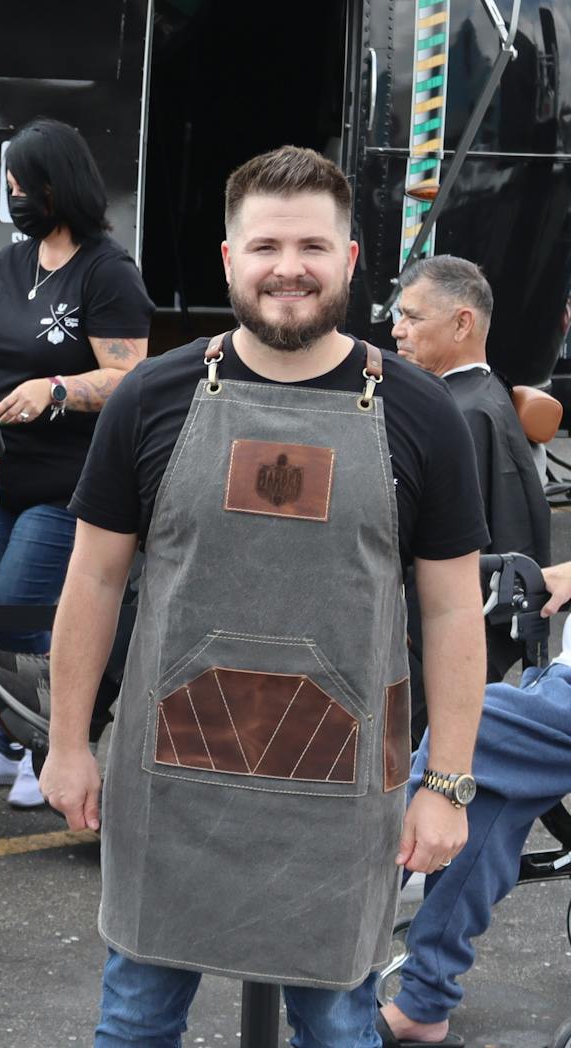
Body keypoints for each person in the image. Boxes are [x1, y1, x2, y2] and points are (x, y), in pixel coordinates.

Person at [41, 146, 489, 1047]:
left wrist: (447, 784)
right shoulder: (154, 396)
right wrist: (65, 743)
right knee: (134, 1024)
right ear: (229, 259)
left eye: (314, 247)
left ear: (352, 260)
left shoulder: (420, 411)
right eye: (267, 246)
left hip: (340, 796)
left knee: (335, 1025)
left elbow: (450, 609)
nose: (290, 267)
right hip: (169, 781)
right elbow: (93, 578)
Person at [0, 118, 152, 809]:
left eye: (21, 184)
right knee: (6, 607)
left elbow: (130, 378)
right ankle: (10, 747)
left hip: (68, 483)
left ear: (56, 185)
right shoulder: (13, 261)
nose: (12, 197)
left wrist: (56, 389)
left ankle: (57, 747)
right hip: (0, 471)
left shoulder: (108, 271)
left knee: (22, 616)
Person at [378, 560, 571, 1048]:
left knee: (463, 733)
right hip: (561, 683)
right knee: (483, 799)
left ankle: (332, 933)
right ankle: (424, 1005)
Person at [391, 254, 550, 683]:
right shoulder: (482, 396)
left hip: (432, 651)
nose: (397, 329)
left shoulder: (457, 416)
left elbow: (440, 545)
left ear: (462, 324)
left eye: (411, 316)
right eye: (398, 314)